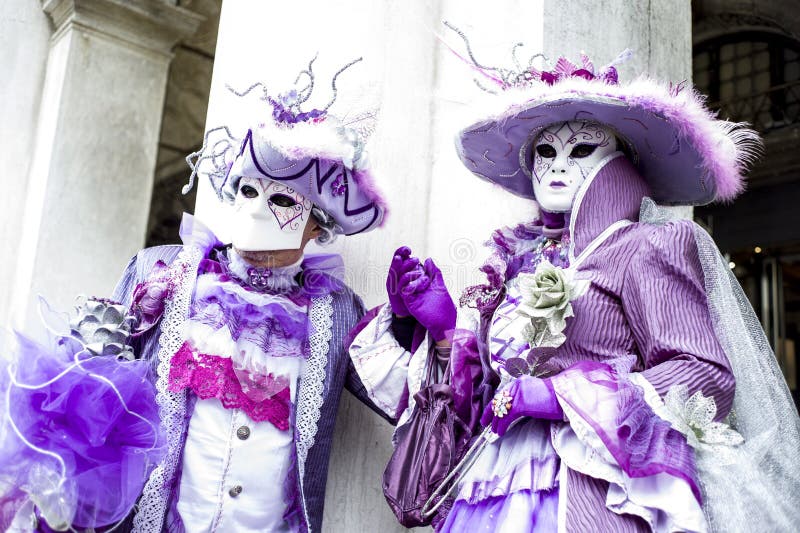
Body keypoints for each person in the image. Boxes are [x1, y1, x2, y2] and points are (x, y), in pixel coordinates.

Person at [350, 39, 800, 532]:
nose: (559, 165)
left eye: (581, 148)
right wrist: (441, 332)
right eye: (545, 151)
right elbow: (481, 405)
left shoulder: (648, 247)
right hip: (492, 483)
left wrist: (562, 397)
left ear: (620, 160)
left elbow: (703, 374)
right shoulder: (514, 267)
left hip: (592, 486)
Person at [0, 59, 399, 533]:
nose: (257, 209)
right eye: (249, 189)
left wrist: (430, 332)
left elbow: (399, 397)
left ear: (318, 225)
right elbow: (93, 389)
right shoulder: (163, 271)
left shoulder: (336, 311)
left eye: (285, 200)